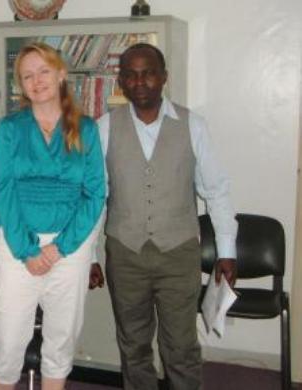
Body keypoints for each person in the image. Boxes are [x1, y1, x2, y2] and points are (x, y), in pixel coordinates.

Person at [98, 43, 238, 390]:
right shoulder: (104, 127)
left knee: (181, 347)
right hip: (125, 253)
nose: (139, 81)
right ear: (122, 81)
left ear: (164, 78)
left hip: (178, 253)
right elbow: (95, 196)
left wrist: (227, 252)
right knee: (134, 345)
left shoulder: (193, 125)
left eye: (148, 73)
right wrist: (88, 256)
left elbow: (216, 190)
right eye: (130, 74)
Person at [0, 42, 106, 390]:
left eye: (43, 71)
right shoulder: (9, 128)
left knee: (62, 336)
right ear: (20, 85)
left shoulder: (86, 129)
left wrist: (59, 248)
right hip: (15, 243)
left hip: (70, 247)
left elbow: (95, 194)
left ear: (61, 74)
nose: (36, 81)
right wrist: (27, 249)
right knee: (8, 340)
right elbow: (2, 190)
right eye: (27, 75)